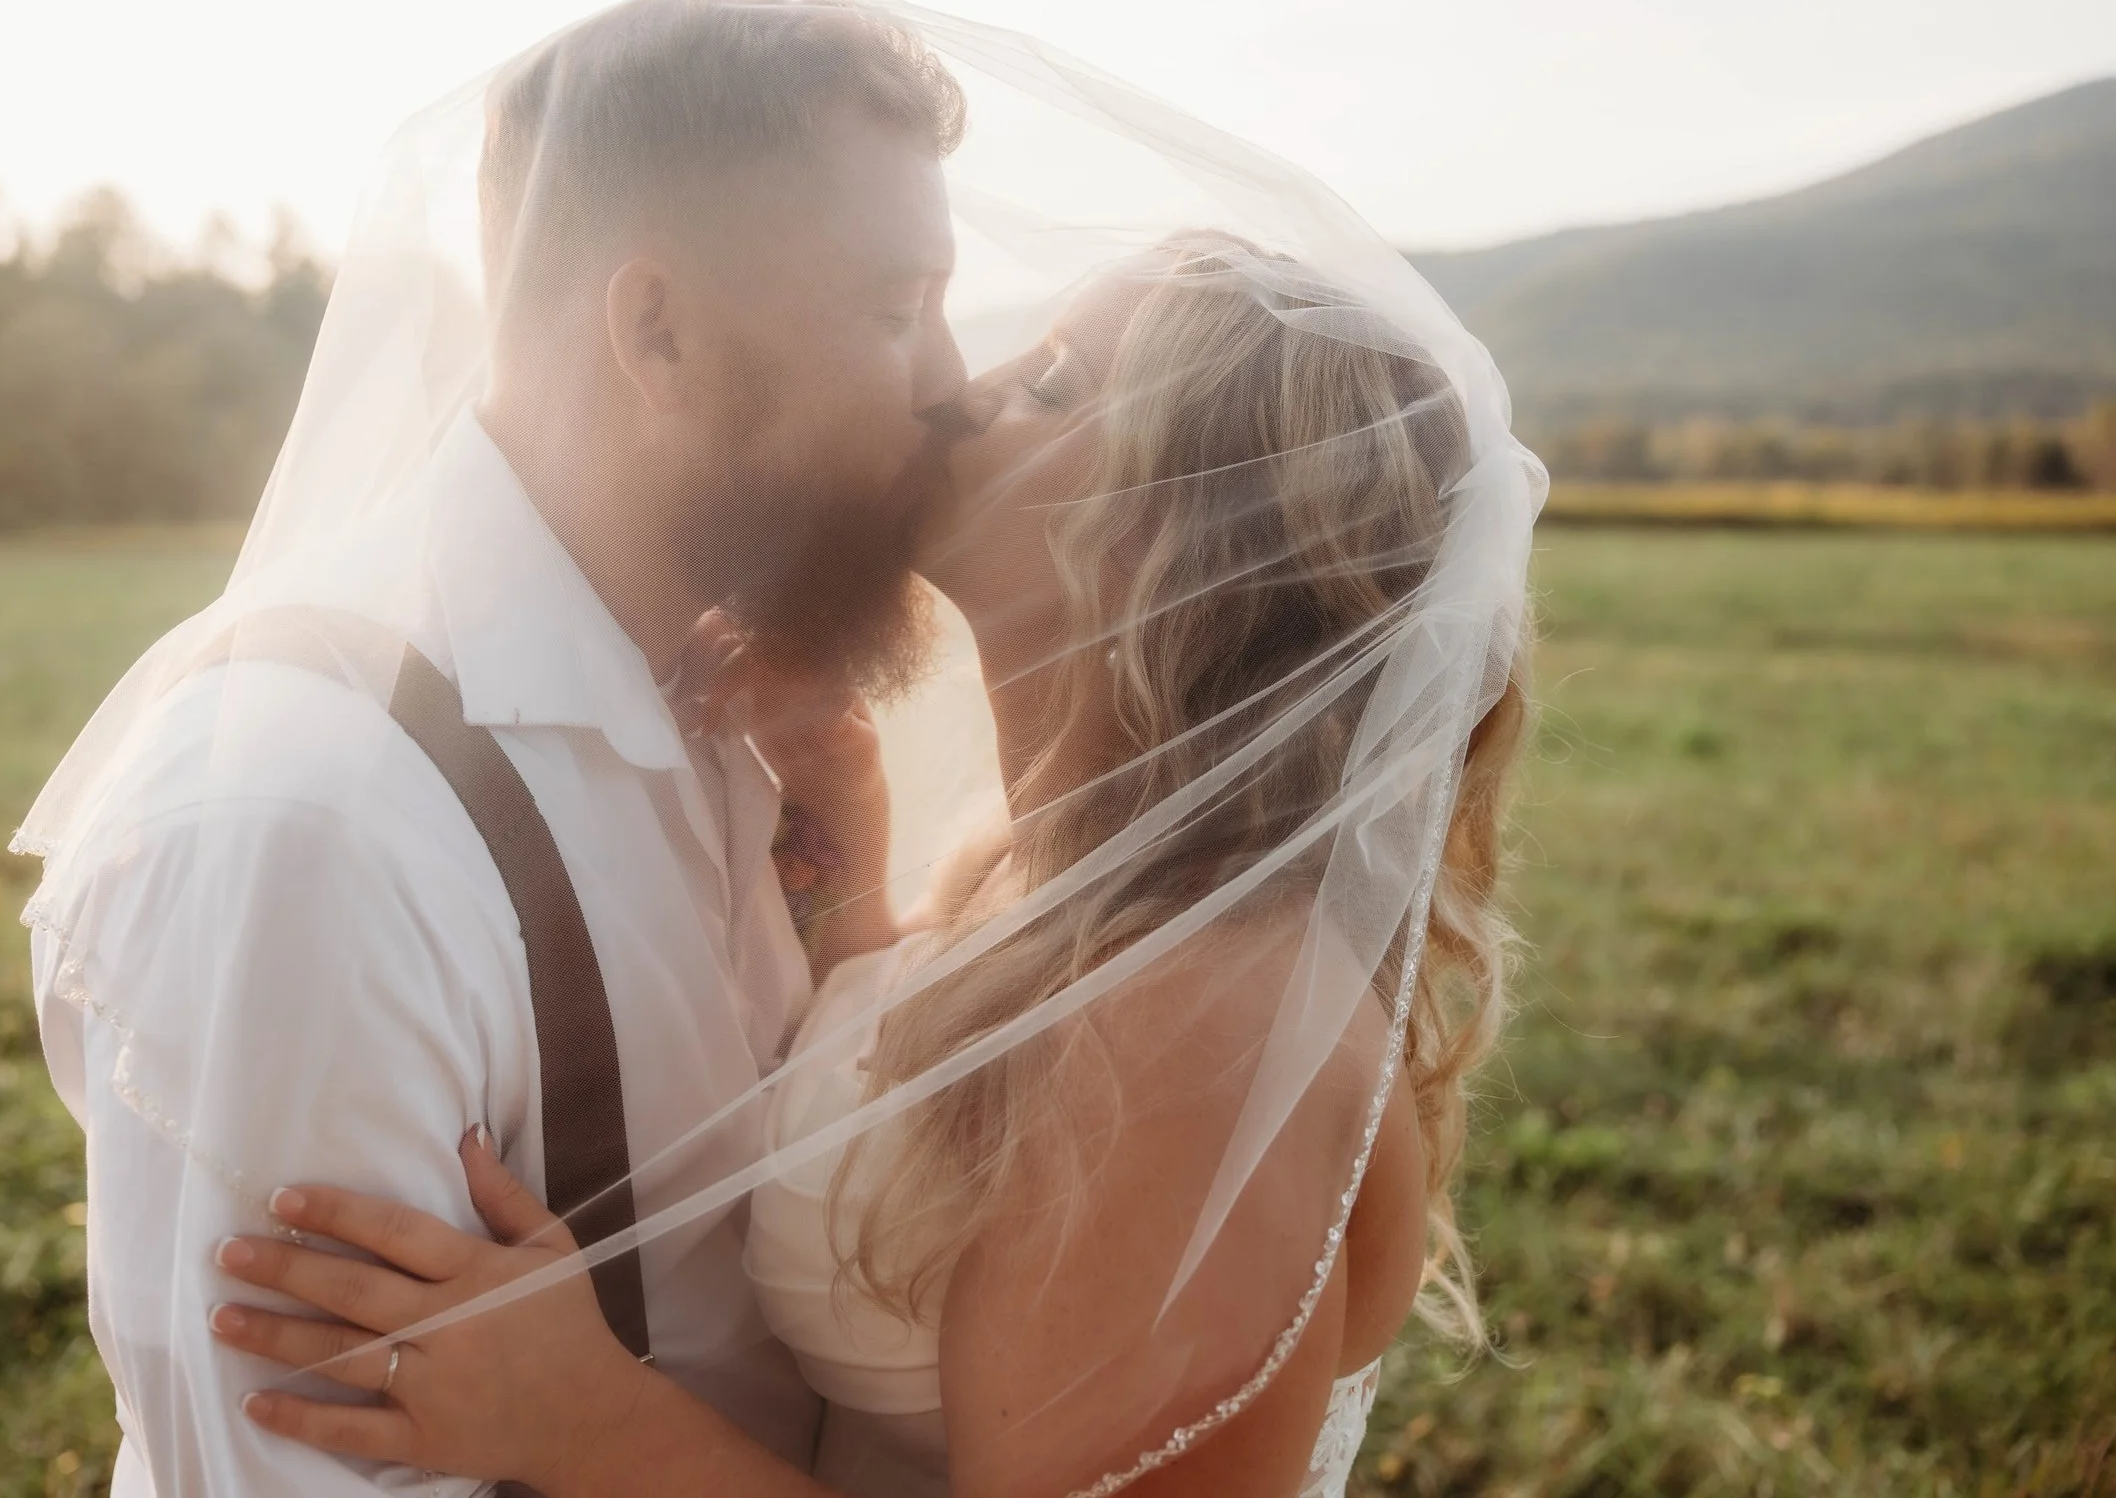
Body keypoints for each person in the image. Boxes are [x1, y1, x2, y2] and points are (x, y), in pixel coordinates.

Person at [201, 229, 1540, 1496]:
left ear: (1182, 537)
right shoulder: (1058, 876)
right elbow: (928, 1113)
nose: (962, 391)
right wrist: (835, 827)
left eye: (1056, 385)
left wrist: (584, 1418)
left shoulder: (1209, 1013)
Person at [15, 0, 977, 1496]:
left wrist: (833, 854)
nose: (951, 387)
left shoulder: (741, 704)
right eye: (890, 310)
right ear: (655, 330)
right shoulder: (310, 830)